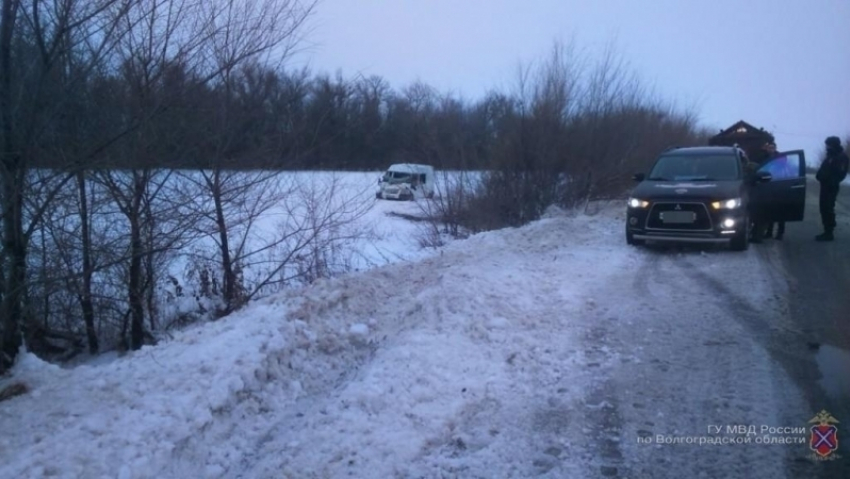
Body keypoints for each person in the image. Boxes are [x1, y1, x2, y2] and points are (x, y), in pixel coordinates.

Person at [815, 136, 849, 241]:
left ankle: (829, 232)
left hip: (831, 187)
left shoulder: (841, 157)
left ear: (833, 144)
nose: (826, 146)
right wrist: (820, 176)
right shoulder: (830, 156)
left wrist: (830, 181)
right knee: (823, 208)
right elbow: (823, 170)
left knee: (828, 208)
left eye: (828, 144)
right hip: (824, 186)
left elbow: (840, 173)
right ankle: (826, 230)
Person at [759, 142, 785, 239]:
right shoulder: (764, 157)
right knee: (769, 210)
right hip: (767, 185)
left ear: (775, 148)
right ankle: (769, 232)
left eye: (772, 147)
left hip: (779, 185)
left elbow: (783, 169)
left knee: (781, 212)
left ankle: (780, 233)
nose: (771, 149)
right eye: (769, 148)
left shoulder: (780, 158)